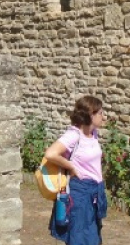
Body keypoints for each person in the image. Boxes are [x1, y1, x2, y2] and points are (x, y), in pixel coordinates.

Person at [45, 95, 109, 245]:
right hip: (79, 194)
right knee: (81, 239)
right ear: (90, 114)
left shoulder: (93, 134)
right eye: (100, 113)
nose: (103, 117)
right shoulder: (73, 135)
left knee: (92, 237)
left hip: (94, 193)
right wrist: (71, 166)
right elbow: (50, 153)